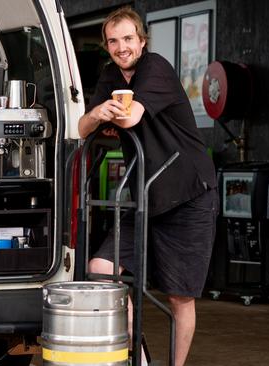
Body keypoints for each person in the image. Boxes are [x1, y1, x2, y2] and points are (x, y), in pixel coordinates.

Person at [78, 7, 218, 366]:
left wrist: (111, 114)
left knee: (178, 297)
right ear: (106, 46)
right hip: (146, 196)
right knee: (101, 269)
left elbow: (132, 115)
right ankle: (138, 359)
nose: (121, 47)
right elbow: (82, 127)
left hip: (188, 193)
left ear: (141, 41)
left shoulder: (155, 67)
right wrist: (97, 114)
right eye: (113, 41)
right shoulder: (110, 75)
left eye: (128, 38)